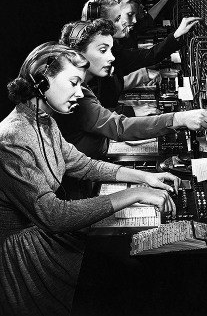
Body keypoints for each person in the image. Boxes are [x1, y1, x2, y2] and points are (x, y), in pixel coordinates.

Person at [0, 41, 181, 316]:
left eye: (81, 84)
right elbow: (53, 215)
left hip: (49, 240)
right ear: (41, 82)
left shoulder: (44, 121)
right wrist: (134, 194)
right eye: (73, 83)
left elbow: (82, 164)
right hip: (26, 260)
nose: (79, 93)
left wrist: (146, 177)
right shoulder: (10, 139)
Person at [57, 19, 207, 160]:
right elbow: (119, 127)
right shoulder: (74, 93)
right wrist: (180, 118)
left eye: (110, 49)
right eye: (103, 50)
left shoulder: (82, 85)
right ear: (77, 53)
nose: (111, 57)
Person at [80, 0, 201, 111]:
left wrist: (177, 35)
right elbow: (94, 117)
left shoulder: (115, 53)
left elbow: (149, 56)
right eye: (117, 19)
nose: (126, 22)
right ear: (100, 25)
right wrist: (132, 112)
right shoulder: (82, 68)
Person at [112, 0, 186, 49]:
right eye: (130, 14)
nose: (135, 20)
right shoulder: (112, 46)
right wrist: (176, 35)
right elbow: (150, 56)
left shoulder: (128, 30)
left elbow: (148, 19)